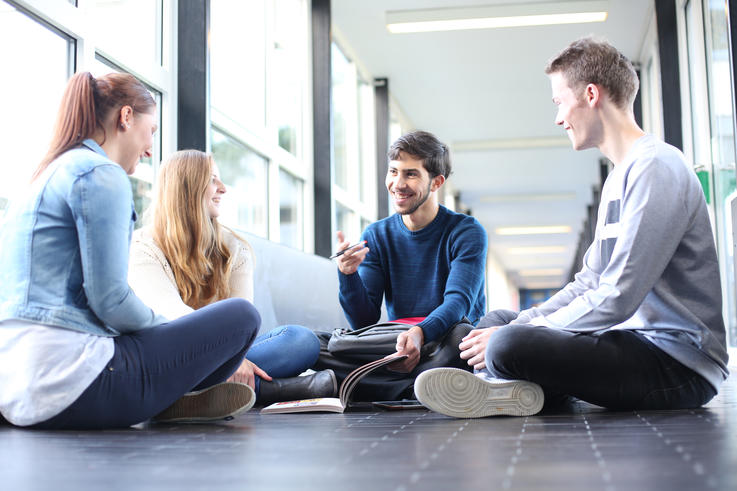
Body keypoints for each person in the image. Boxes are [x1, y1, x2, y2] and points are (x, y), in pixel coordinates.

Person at [415, 37, 730, 418]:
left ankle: (508, 384)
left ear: (591, 94)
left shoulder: (656, 168)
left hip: (678, 364)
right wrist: (525, 323)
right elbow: (589, 283)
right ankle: (514, 388)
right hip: (631, 340)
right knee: (499, 322)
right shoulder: (620, 176)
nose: (558, 117)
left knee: (506, 344)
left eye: (560, 102)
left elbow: (617, 296)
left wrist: (527, 334)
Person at [0, 72, 260, 429]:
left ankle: (170, 396)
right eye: (150, 131)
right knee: (242, 318)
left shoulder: (40, 178)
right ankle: (170, 397)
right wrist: (172, 334)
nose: (150, 148)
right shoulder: (102, 174)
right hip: (76, 383)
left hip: (14, 387)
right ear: (125, 117)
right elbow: (111, 300)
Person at [128, 149, 336, 405]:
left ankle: (202, 394)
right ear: (188, 187)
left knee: (301, 341)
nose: (223, 188)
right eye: (212, 179)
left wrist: (233, 357)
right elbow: (172, 317)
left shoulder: (234, 248)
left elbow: (243, 323)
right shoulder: (143, 247)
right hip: (169, 358)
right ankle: (270, 390)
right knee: (170, 367)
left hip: (216, 359)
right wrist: (226, 358)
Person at [314, 130, 488, 401]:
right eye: (393, 171)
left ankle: (357, 383)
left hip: (443, 339)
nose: (397, 183)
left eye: (410, 174)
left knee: (463, 339)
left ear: (436, 182)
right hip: (399, 342)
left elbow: (458, 304)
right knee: (315, 344)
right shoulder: (376, 235)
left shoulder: (466, 231)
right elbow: (364, 320)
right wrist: (348, 275)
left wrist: (421, 333)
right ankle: (415, 388)